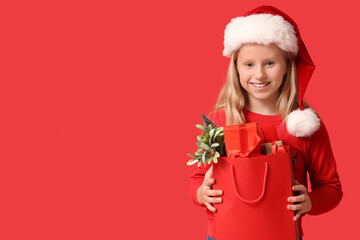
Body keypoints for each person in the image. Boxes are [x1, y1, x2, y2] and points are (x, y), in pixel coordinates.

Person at [189, 5, 343, 240]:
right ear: (236, 68)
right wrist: (201, 194)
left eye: (269, 63)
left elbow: (332, 188)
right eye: (249, 64)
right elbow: (198, 179)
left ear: (286, 67)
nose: (259, 75)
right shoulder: (219, 120)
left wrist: (310, 202)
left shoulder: (304, 125)